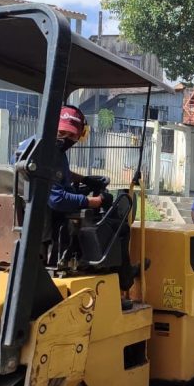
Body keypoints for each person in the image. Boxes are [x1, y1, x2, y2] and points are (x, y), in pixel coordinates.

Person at [12, 105, 137, 307]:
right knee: (118, 228)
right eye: (66, 133)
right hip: (52, 221)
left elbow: (54, 178)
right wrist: (93, 201)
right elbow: (57, 199)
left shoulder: (30, 145)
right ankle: (122, 284)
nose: (69, 139)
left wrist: (84, 178)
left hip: (29, 219)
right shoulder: (49, 153)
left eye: (72, 135)